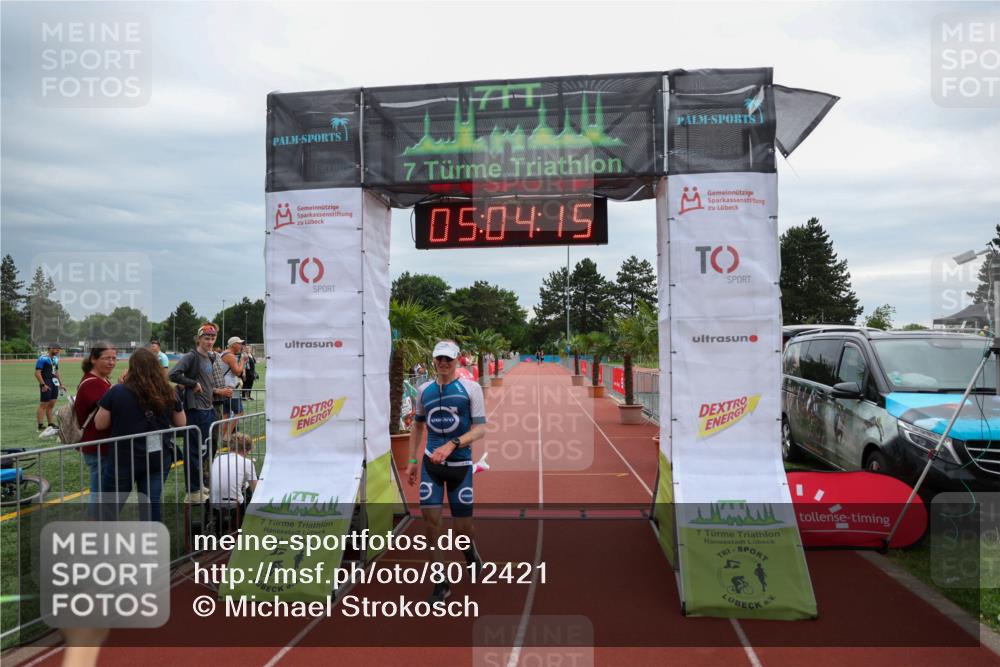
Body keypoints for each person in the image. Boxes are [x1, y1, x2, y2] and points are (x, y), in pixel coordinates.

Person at [407, 339, 487, 603]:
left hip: (460, 467)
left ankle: (470, 553)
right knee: (431, 525)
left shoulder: (471, 389)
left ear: (457, 360)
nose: (442, 363)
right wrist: (413, 461)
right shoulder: (424, 391)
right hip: (432, 466)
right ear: (433, 360)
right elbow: (418, 426)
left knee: (463, 530)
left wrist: (453, 444)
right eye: (438, 358)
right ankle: (441, 582)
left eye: (447, 359)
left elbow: (480, 429)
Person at [95, 348, 185, 522]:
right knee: (151, 504)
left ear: (131, 368)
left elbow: (100, 424)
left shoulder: (117, 391)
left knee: (110, 507)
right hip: (157, 457)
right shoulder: (168, 391)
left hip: (123, 458)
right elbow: (181, 423)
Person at [169, 323, 231, 503]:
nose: (210, 341)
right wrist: (192, 384)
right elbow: (173, 374)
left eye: (212, 338)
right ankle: (193, 491)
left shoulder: (209, 357)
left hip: (208, 408)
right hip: (195, 409)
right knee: (194, 451)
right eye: (206, 338)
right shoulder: (192, 356)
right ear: (199, 338)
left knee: (204, 450)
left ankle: (197, 485)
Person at [75, 342, 118, 520]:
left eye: (114, 358)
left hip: (101, 445)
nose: (112, 362)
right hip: (98, 446)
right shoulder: (92, 383)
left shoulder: (102, 380)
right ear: (93, 359)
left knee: (102, 491)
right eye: (106, 358)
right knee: (100, 491)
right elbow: (114, 408)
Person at [209, 431, 259, 519]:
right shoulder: (246, 462)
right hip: (234, 505)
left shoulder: (218, 458)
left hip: (213, 502)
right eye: (247, 452)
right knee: (252, 492)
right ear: (244, 450)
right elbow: (255, 490)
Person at [219, 336, 251, 442]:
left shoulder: (224, 353)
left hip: (225, 387)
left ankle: (223, 436)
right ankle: (227, 436)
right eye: (239, 343)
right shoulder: (230, 356)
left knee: (226, 414)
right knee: (239, 412)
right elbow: (238, 372)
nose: (241, 345)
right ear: (233, 344)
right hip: (231, 388)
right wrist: (242, 360)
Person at [35, 344, 64, 432]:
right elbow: (37, 373)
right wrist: (43, 384)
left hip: (54, 382)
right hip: (46, 381)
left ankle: (50, 423)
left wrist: (61, 384)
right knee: (43, 404)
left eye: (58, 349)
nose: (57, 350)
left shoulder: (55, 359)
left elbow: (56, 372)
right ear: (49, 349)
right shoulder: (42, 358)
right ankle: (40, 425)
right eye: (55, 348)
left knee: (52, 404)